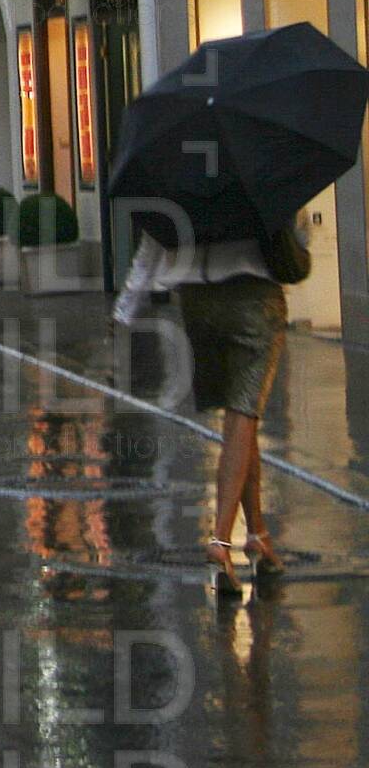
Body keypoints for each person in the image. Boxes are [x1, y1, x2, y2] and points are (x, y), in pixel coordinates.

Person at [115, 219, 302, 596]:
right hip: (253, 298)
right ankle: (220, 542)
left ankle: (258, 535)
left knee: (240, 419)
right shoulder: (258, 186)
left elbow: (151, 244)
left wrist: (125, 309)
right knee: (243, 416)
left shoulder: (181, 187)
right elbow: (293, 238)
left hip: (197, 302)